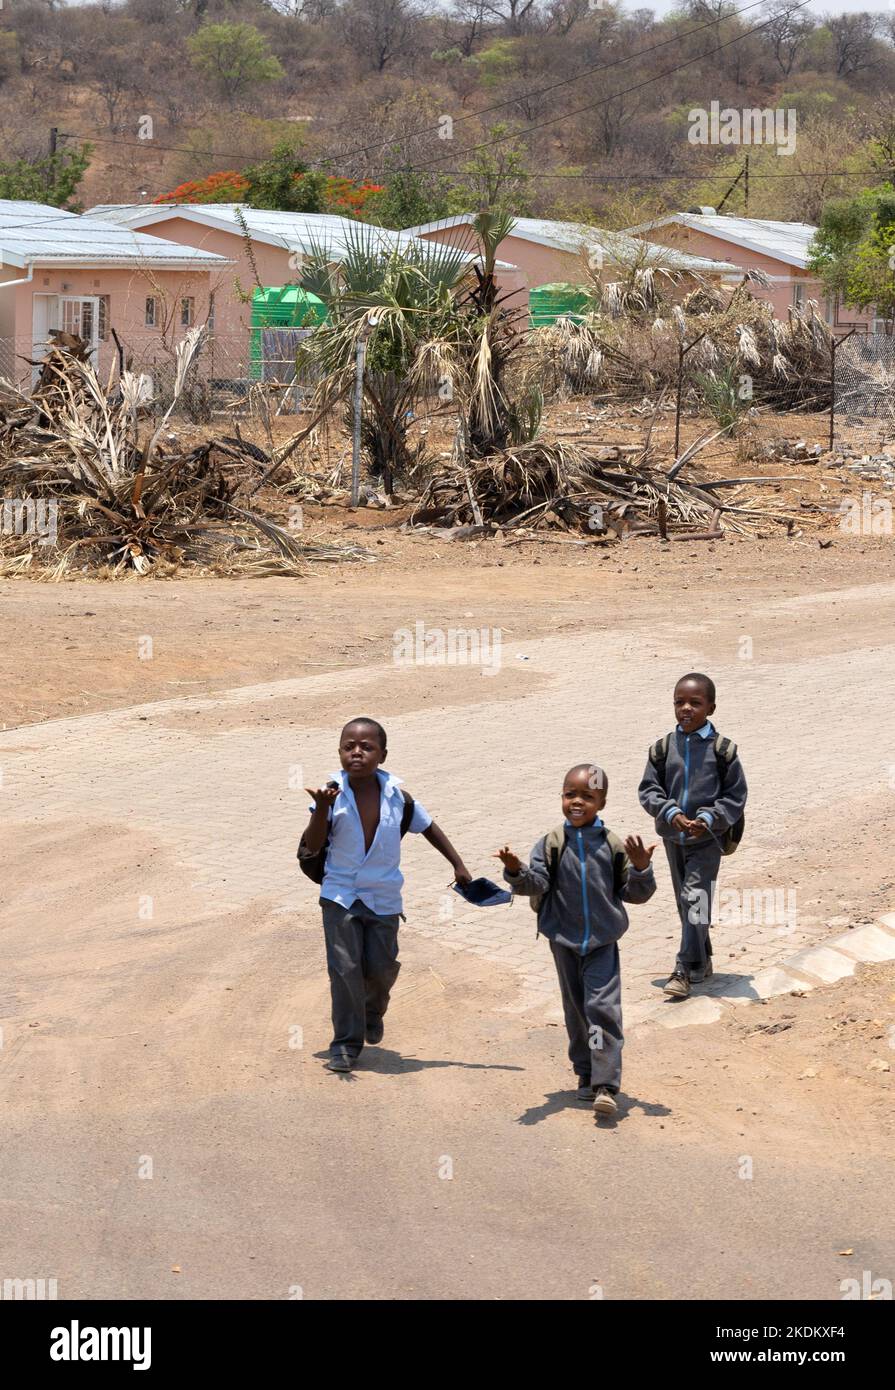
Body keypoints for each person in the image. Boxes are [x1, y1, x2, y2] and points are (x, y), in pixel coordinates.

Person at [302, 717, 471, 1072]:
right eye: (349, 746)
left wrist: (457, 863)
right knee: (344, 969)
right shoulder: (331, 793)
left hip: (383, 896)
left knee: (380, 967)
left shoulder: (398, 797)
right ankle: (345, 1045)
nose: (357, 753)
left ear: (383, 754)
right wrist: (321, 810)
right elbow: (313, 844)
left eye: (367, 747)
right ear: (339, 751)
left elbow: (428, 828)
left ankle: (373, 1010)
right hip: (340, 895)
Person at [496, 764, 656, 1118]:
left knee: (602, 1009)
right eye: (571, 795)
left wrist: (642, 868)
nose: (577, 802)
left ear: (602, 802)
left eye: (588, 796)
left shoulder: (612, 845)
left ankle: (606, 1084)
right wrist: (515, 871)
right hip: (563, 942)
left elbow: (634, 894)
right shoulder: (552, 843)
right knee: (576, 1010)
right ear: (562, 797)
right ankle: (584, 1072)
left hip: (602, 942)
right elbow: (535, 884)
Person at [638, 672, 748, 1000]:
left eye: (695, 703)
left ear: (711, 708)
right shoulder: (661, 749)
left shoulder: (723, 750)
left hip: (707, 840)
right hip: (674, 838)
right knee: (686, 904)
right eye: (679, 702)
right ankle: (702, 958)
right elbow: (648, 790)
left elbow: (735, 796)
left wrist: (708, 817)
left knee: (694, 898)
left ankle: (683, 967)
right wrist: (671, 813)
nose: (686, 708)